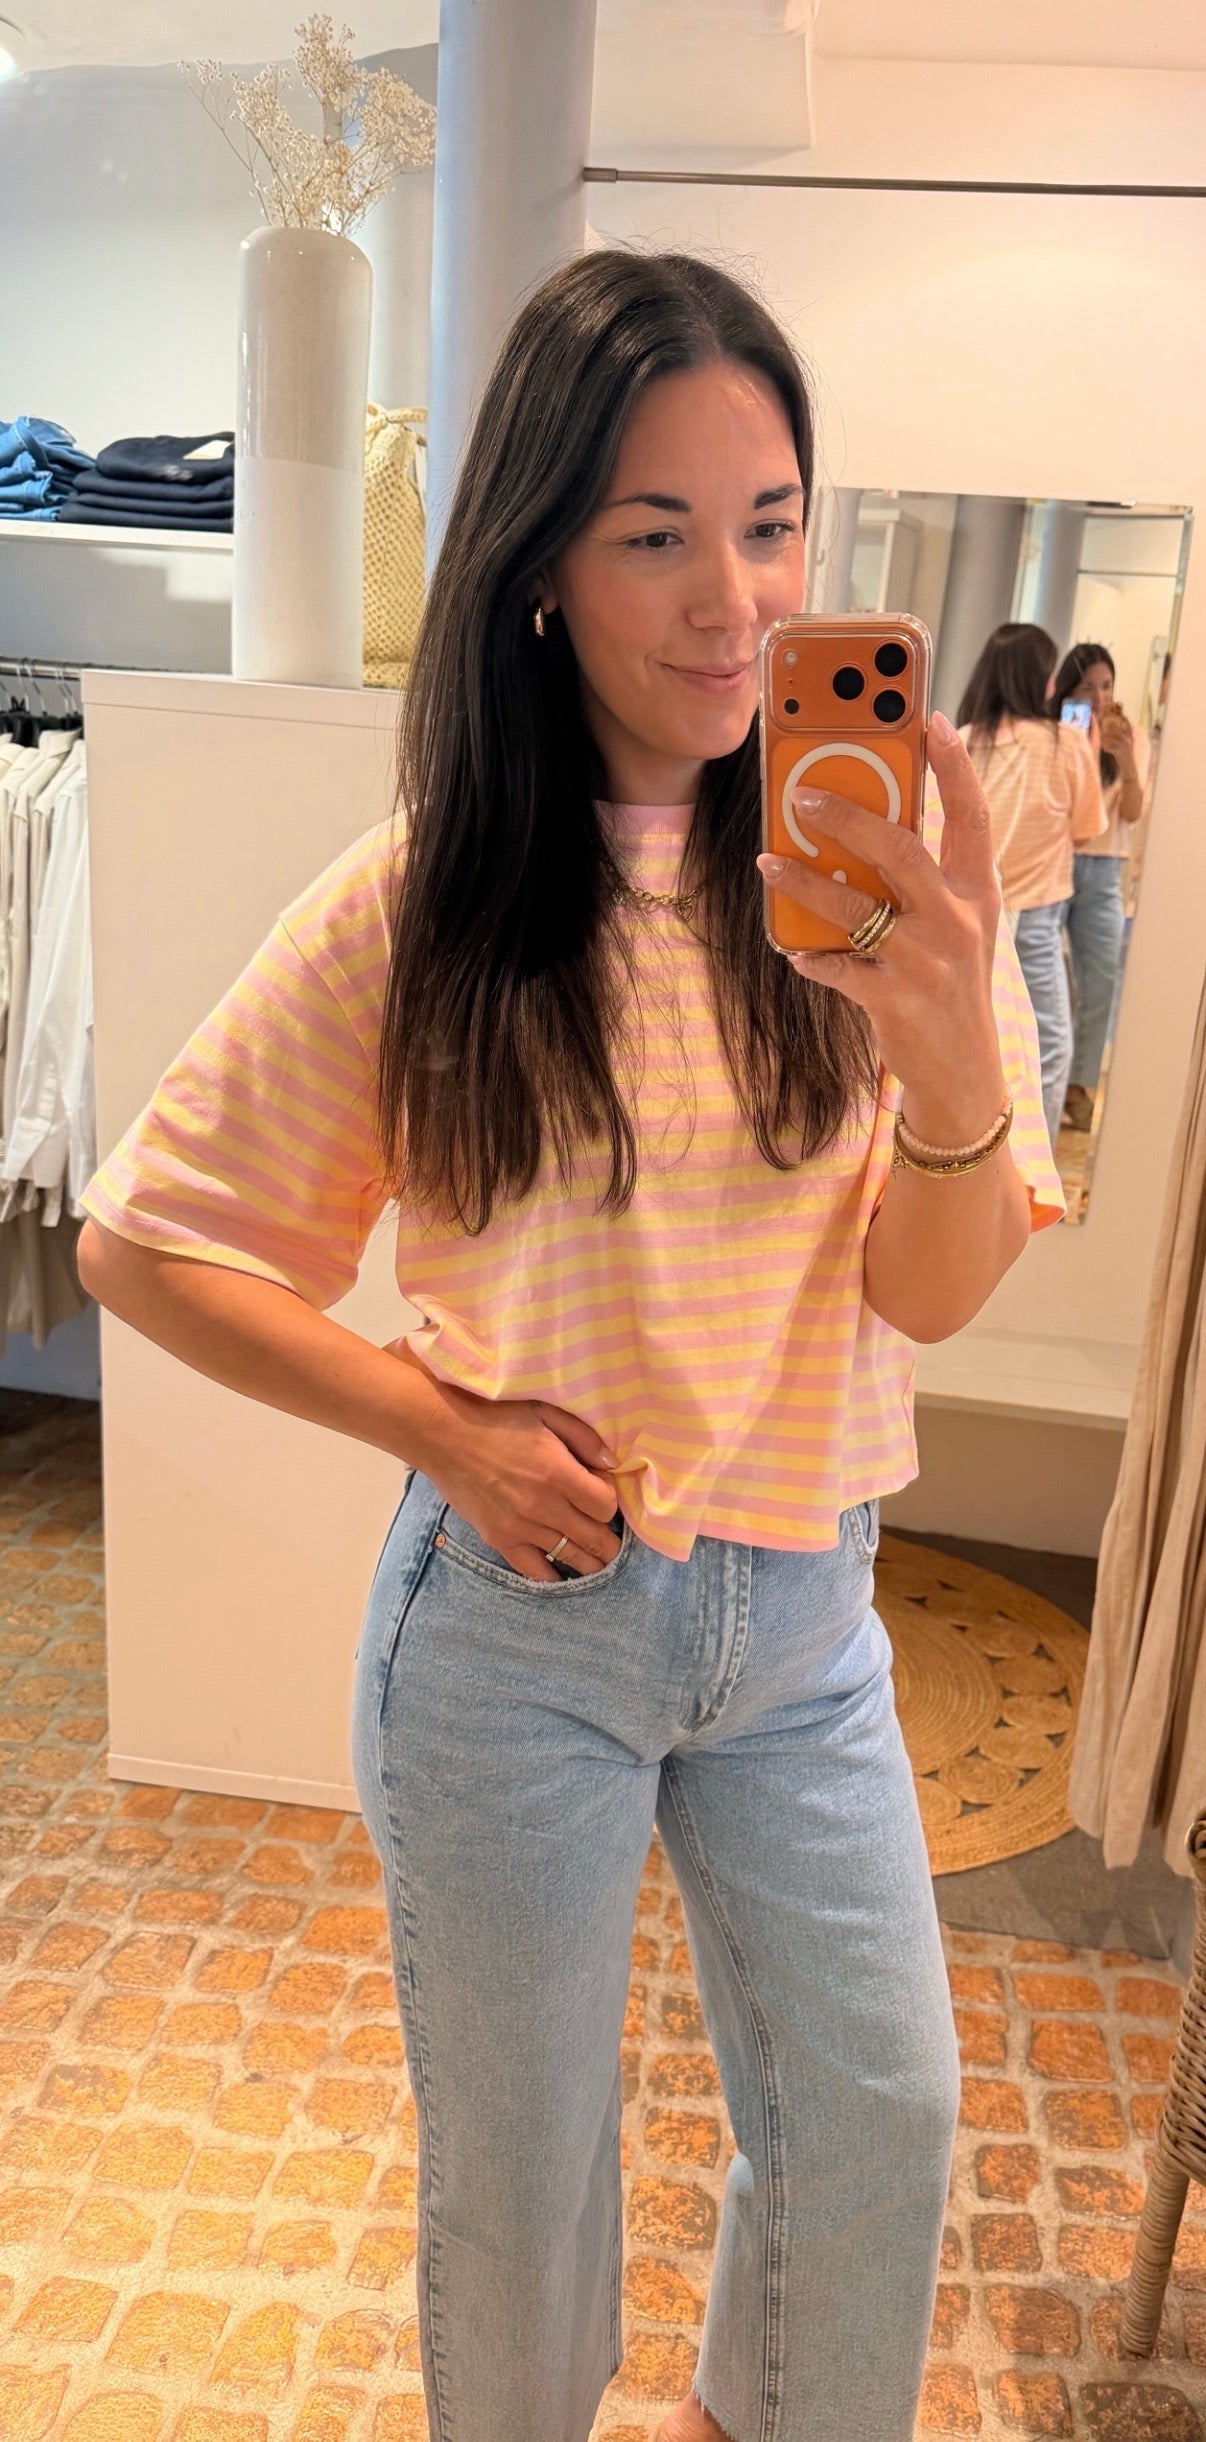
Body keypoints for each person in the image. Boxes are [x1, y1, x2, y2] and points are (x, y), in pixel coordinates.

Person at [77, 252, 1063, 2442]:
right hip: (516, 1639)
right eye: (656, 534)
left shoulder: (887, 886)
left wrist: (947, 1047)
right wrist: (439, 1426)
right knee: (521, 2193)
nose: (734, 601)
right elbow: (143, 1240)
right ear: (538, 566)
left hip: (804, 1623)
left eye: (772, 525)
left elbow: (929, 1295)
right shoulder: (428, 899)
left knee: (881, 2115)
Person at [956, 622, 1106, 1147]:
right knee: (1047, 1046)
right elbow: (1087, 829)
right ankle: (1027, 1168)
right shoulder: (1065, 743)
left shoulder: (961, 742)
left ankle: (971, 1155)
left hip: (967, 915)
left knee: (968, 1043)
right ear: (1039, 677)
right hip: (1035, 917)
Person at [1051, 641, 1150, 1132]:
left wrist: (1125, 756)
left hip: (1105, 870)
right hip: (1056, 863)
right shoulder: (1055, 735)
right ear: (1067, 690)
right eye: (1087, 687)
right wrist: (1080, 747)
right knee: (1045, 978)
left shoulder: (1130, 736)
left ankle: (1078, 1087)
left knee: (1101, 981)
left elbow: (1131, 813)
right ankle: (1042, 1078)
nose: (1098, 697)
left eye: (1106, 686)